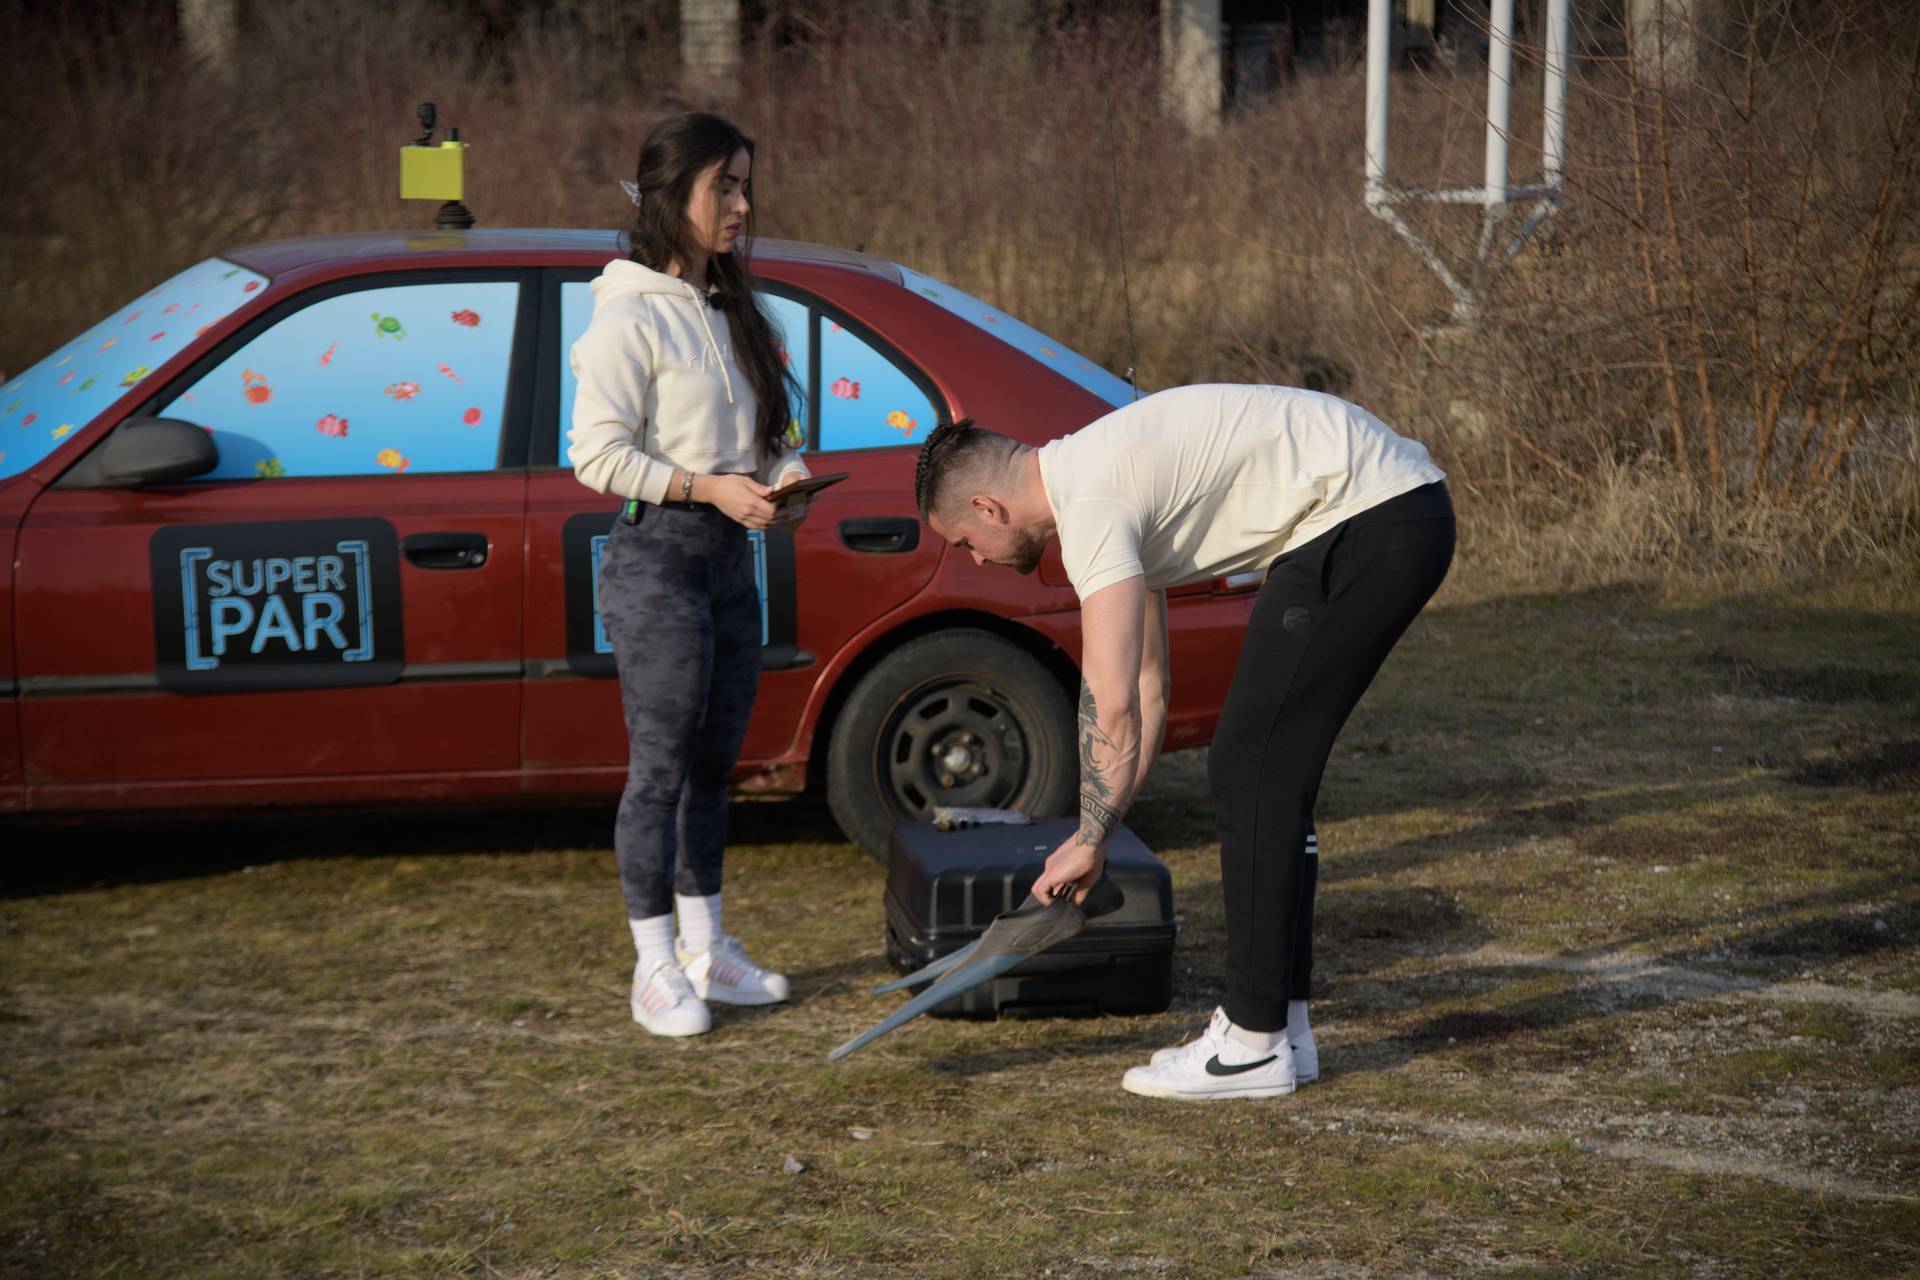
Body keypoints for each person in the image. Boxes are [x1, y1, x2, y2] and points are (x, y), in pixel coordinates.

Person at [913, 384, 1454, 1098]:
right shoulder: (1097, 476)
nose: (976, 559)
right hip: (1385, 515)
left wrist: (1088, 837)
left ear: (987, 507)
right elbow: (1145, 691)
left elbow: (1109, 707)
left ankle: (1252, 1043)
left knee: (1250, 769)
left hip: (1366, 519)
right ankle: (1281, 1027)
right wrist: (1098, 835)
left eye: (965, 543)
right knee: (1265, 772)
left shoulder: (1093, 507)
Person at [569, 112, 810, 1037]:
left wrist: (786, 477)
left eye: (748, 185)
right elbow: (595, 456)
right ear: (673, 198)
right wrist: (709, 486)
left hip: (729, 565)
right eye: (726, 187)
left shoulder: (738, 307)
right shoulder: (627, 314)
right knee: (660, 769)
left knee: (715, 767)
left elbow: (771, 440)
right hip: (656, 565)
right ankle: (654, 967)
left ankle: (710, 949)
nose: (744, 205)